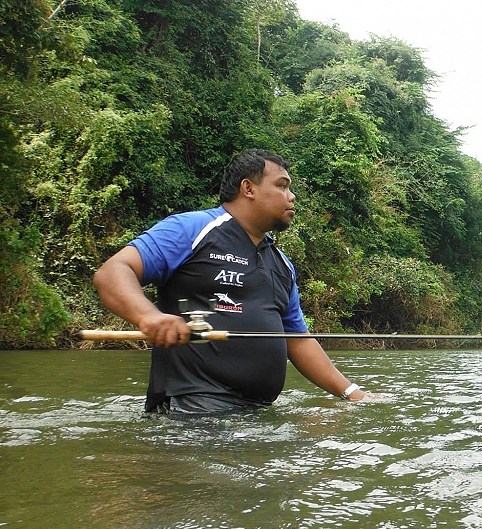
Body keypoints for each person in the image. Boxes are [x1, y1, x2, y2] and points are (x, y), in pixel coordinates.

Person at [93, 148, 368, 414]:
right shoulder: (192, 229)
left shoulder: (282, 263)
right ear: (248, 189)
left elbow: (297, 340)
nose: (292, 196)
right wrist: (148, 317)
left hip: (257, 414)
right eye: (282, 186)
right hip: (192, 410)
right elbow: (113, 271)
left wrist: (354, 394)